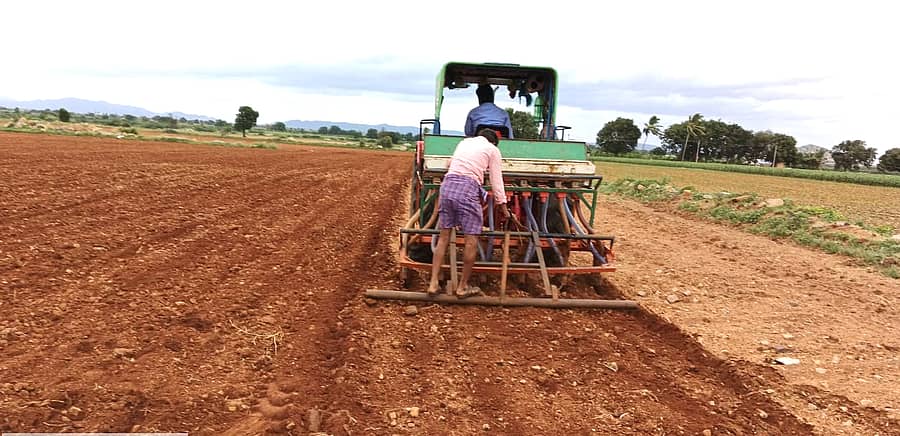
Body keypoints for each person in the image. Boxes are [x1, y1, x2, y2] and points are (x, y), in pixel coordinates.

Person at [427, 128, 511, 298]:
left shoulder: (464, 142)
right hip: (467, 190)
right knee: (471, 241)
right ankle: (462, 287)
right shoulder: (493, 150)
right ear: (493, 141)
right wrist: (503, 207)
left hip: (447, 186)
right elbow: (496, 180)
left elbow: (448, 165)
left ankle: (433, 283)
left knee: (443, 238)